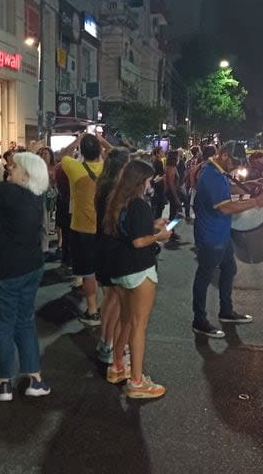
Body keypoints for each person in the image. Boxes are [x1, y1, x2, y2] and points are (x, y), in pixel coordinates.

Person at [0, 140, 52, 401]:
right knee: (24, 320)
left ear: (25, 174)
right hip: (31, 266)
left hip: (5, 268)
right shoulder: (32, 195)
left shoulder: (12, 195)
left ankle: (4, 382)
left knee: (2, 324)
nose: (8, 168)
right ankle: (34, 379)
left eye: (14, 167)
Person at [103, 159, 171, 399]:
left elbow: (130, 230)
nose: (150, 184)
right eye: (149, 180)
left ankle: (117, 365)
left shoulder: (118, 202)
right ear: (140, 181)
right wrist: (160, 235)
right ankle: (137, 381)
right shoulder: (139, 204)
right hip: (139, 268)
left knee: (126, 319)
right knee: (139, 324)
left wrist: (151, 225)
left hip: (119, 268)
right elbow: (139, 241)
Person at [191, 142, 263, 338]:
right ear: (224, 155)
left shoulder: (216, 172)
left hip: (221, 232)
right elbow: (225, 207)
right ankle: (199, 320)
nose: (235, 166)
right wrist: (256, 202)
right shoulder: (211, 175)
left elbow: (226, 190)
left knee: (229, 269)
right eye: (234, 162)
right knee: (204, 276)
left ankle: (226, 311)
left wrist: (248, 187)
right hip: (210, 235)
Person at [60, 132, 112, 325]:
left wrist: (77, 139)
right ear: (100, 149)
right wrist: (103, 140)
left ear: (81, 150)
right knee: (105, 271)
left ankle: (92, 311)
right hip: (105, 228)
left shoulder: (75, 167)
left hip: (82, 228)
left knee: (88, 272)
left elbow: (62, 154)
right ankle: (109, 308)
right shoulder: (109, 168)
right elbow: (119, 154)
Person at [94, 147, 131, 383]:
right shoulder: (117, 190)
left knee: (109, 297)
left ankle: (105, 342)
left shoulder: (102, 183)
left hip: (101, 245)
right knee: (116, 299)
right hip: (114, 248)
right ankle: (110, 345)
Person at [150, 146, 167, 219]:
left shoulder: (155, 161)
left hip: (156, 188)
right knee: (159, 208)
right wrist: (163, 177)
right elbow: (157, 176)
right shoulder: (158, 162)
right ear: (157, 153)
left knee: (156, 208)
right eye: (162, 151)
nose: (163, 152)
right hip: (158, 188)